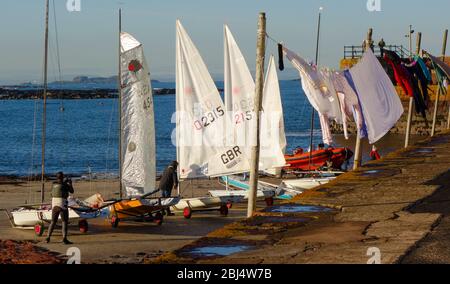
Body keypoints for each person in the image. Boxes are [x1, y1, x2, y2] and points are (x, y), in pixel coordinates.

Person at [45, 172, 74, 244]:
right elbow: (72, 191)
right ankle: (64, 239)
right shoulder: (65, 185)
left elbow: (52, 193)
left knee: (53, 221)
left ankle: (47, 238)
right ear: (63, 177)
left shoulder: (54, 184)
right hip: (62, 203)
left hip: (54, 203)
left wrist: (65, 183)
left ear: (57, 177)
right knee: (64, 221)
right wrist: (70, 183)